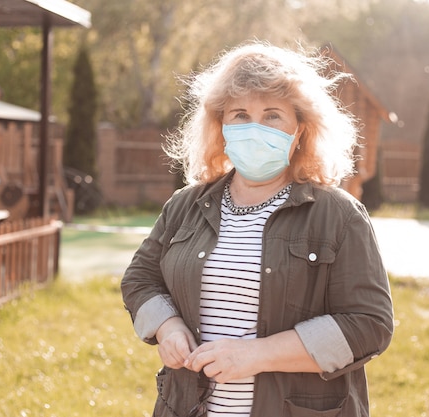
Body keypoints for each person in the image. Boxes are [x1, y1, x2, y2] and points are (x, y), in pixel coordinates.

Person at [121, 40, 393, 417]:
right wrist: (166, 327)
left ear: (299, 129)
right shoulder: (185, 206)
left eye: (272, 115)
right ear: (220, 126)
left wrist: (258, 355)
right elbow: (139, 279)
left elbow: (369, 325)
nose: (254, 128)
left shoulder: (340, 215)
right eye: (239, 115)